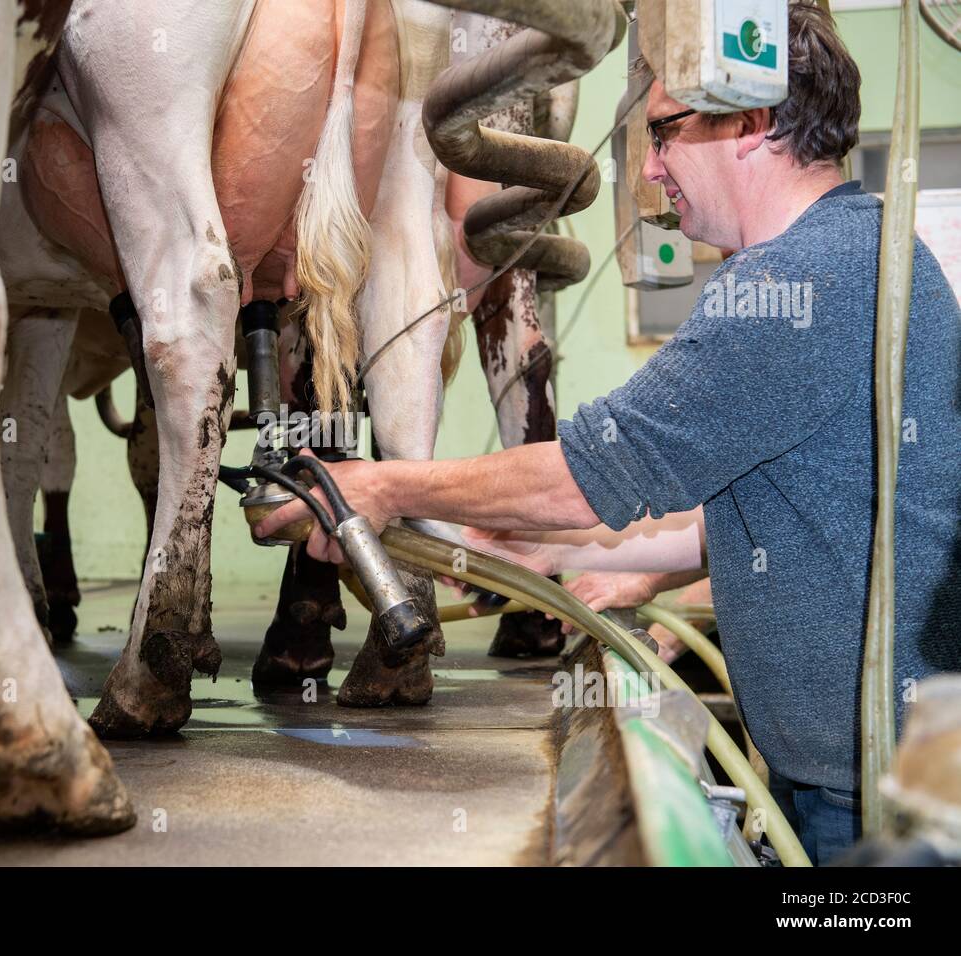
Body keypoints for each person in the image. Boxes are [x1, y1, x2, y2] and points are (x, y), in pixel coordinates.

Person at [257, 2, 961, 864]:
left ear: (749, 121)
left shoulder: (793, 283)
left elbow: (583, 472)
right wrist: (565, 557)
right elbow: (787, 512)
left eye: (663, 132)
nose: (653, 168)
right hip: (873, 765)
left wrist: (383, 485)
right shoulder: (874, 246)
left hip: (862, 798)